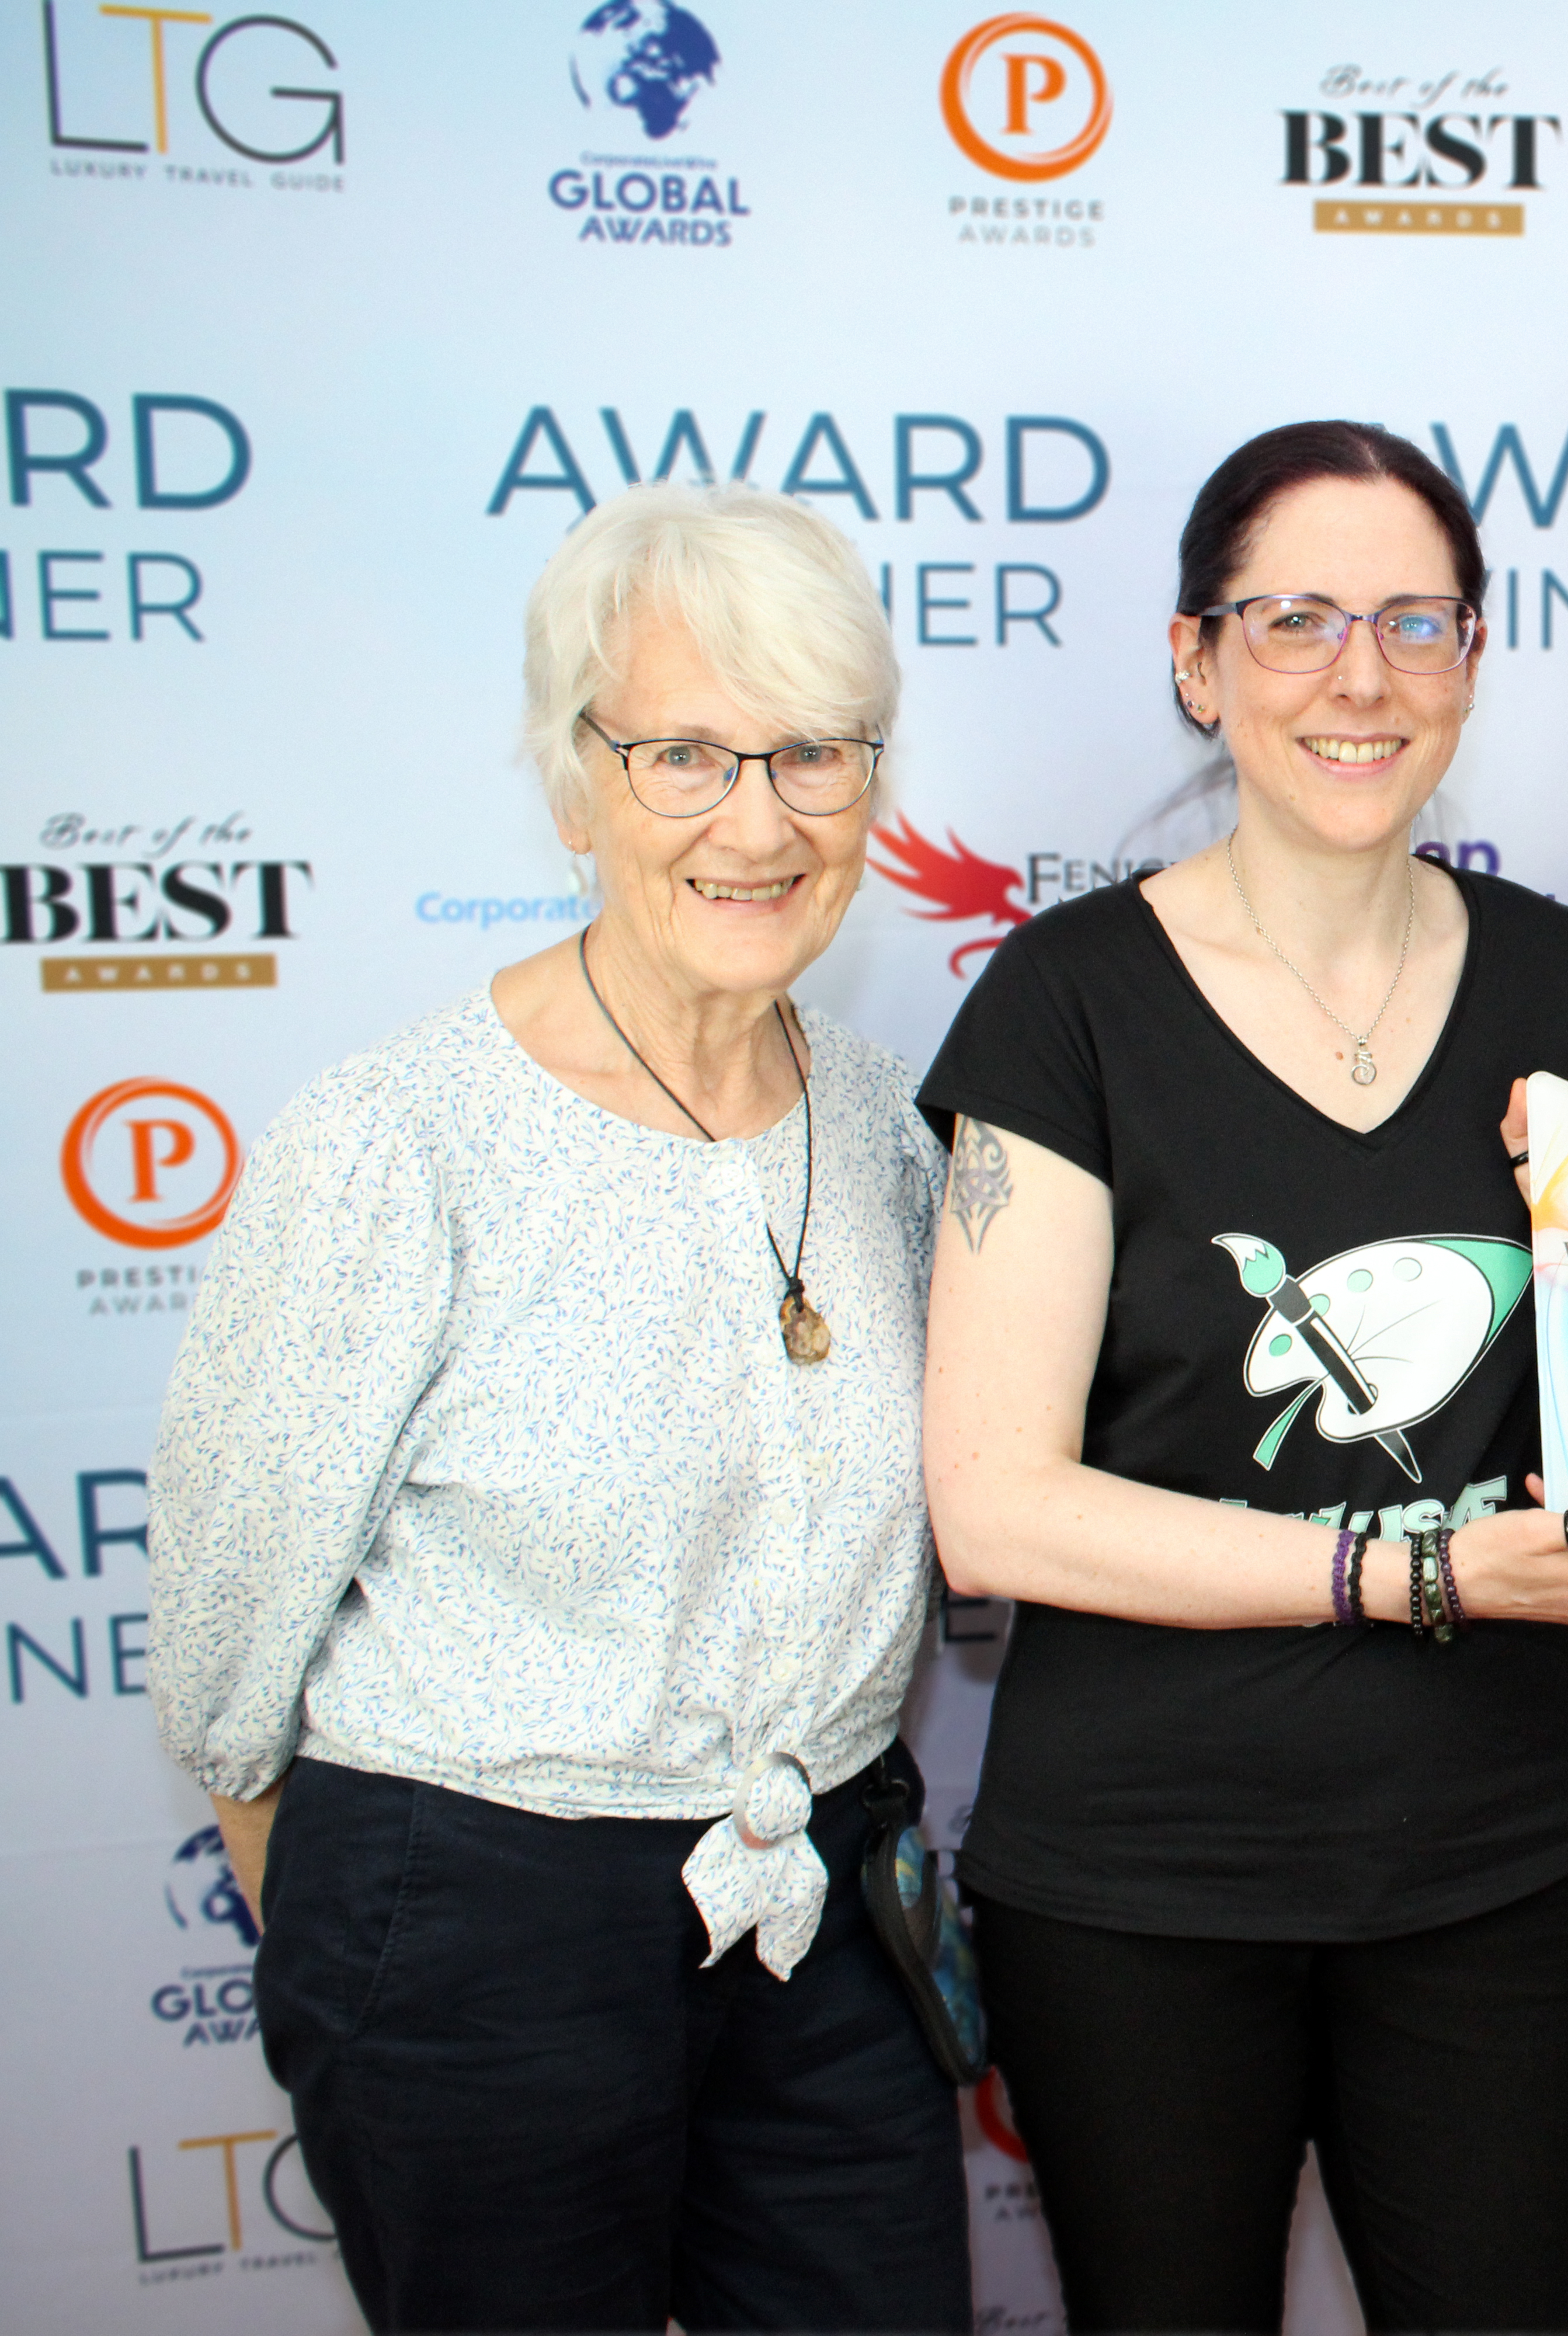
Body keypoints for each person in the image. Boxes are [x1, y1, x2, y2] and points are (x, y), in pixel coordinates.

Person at [916, 420, 1568, 2335]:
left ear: (1473, 654)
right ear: (1197, 662)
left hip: (1491, 1874)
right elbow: (994, 1503)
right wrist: (1411, 1575)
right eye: (1294, 620)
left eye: (1413, 621)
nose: (1358, 678)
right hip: (1142, 1890)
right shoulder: (1062, 1006)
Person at [148, 482, 969, 2332]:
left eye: (814, 755)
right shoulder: (397, 1143)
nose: (758, 823)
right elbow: (223, 1646)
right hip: (479, 1927)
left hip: (830, 1914)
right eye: (684, 754)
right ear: (573, 780)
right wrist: (398, 1948)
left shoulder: (885, 1125)